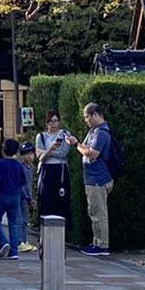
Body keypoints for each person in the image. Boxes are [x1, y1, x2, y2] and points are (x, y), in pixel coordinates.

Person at [78, 102, 115, 255]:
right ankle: (96, 242)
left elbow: (92, 153)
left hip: (98, 180)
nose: (86, 121)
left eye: (87, 117)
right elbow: (86, 148)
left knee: (99, 214)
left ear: (95, 115)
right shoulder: (94, 131)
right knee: (94, 212)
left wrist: (75, 144)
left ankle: (102, 245)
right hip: (93, 179)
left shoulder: (101, 133)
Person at [34, 111, 75, 235]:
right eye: (51, 121)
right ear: (46, 123)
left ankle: (62, 233)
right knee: (45, 200)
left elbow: (63, 153)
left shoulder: (65, 134)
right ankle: (44, 232)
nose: (53, 124)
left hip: (60, 170)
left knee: (61, 201)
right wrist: (51, 148)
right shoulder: (41, 136)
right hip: (46, 170)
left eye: (56, 121)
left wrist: (46, 152)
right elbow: (40, 157)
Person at [0, 137, 30, 259]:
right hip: (16, 196)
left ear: (3, 150)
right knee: (13, 223)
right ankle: (14, 251)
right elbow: (23, 180)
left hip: (3, 194)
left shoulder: (1, 163)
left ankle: (3, 241)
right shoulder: (19, 164)